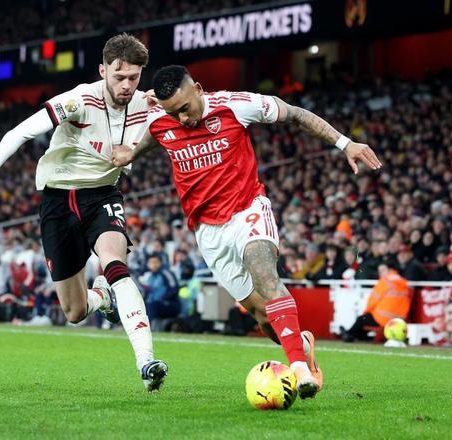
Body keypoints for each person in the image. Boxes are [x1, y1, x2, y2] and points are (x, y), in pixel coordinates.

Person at [111, 65, 383, 399]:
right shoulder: (160, 119)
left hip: (247, 210)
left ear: (198, 89)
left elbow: (296, 114)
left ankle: (300, 369)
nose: (182, 119)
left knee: (265, 273)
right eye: (173, 113)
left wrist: (345, 143)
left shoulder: (235, 105)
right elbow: (153, 134)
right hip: (208, 232)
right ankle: (302, 344)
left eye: (185, 108)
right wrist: (130, 152)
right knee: (263, 317)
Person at [0, 34, 167, 392]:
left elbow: (186, 116)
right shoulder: (79, 100)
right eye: (119, 76)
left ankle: (146, 360)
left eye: (134, 78)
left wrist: (163, 106)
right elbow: (22, 131)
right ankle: (100, 297)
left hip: (102, 194)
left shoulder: (146, 104)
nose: (126, 85)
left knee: (115, 263)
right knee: (74, 312)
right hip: (58, 200)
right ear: (103, 70)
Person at [340, 261, 412, 342]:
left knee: (361, 319)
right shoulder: (402, 281)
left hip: (383, 318)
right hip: (399, 320)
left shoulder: (385, 281)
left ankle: (349, 335)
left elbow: (372, 301)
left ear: (389, 269)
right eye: (380, 271)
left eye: (383, 270)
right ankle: (357, 336)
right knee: (365, 319)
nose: (381, 273)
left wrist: (366, 312)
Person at [141, 253, 180, 330]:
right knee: (144, 306)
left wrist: (164, 298)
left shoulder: (166, 273)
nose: (153, 265)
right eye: (151, 262)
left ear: (160, 263)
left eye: (155, 262)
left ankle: (153, 329)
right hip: (154, 304)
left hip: (169, 304)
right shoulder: (150, 277)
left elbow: (174, 288)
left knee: (152, 306)